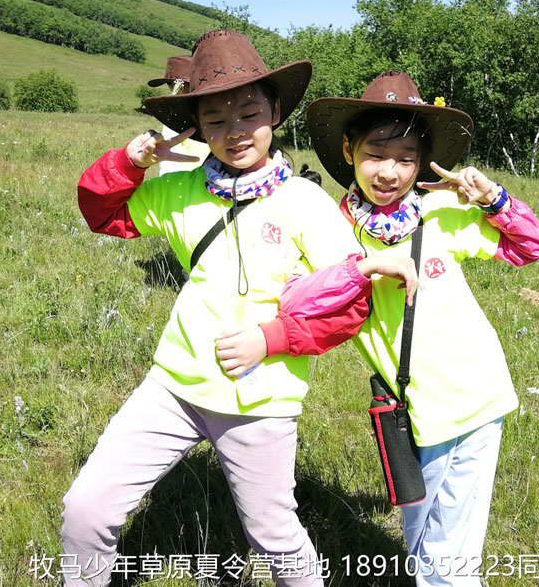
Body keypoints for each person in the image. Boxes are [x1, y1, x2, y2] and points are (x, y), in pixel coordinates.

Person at [64, 31, 417, 587]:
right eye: (216, 119)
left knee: (273, 538)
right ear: (198, 127)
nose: (234, 131)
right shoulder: (177, 192)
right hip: (174, 386)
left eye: (249, 112)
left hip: (261, 400)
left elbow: (351, 301)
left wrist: (271, 338)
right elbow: (102, 213)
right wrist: (130, 163)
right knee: (85, 512)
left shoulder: (303, 202)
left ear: (274, 111)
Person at [257, 71, 539, 586]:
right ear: (348, 150)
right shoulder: (329, 228)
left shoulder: (441, 212)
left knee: (447, 556)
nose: (389, 171)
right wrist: (360, 270)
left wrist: (493, 199)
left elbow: (531, 248)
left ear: (422, 162)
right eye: (375, 153)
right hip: (413, 410)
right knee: (426, 542)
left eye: (406, 157)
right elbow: (295, 301)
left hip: (480, 396)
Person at [146, 53, 210, 176]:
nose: (173, 91)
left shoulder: (208, 120)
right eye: (170, 85)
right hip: (170, 186)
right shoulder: (171, 115)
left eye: (173, 85)